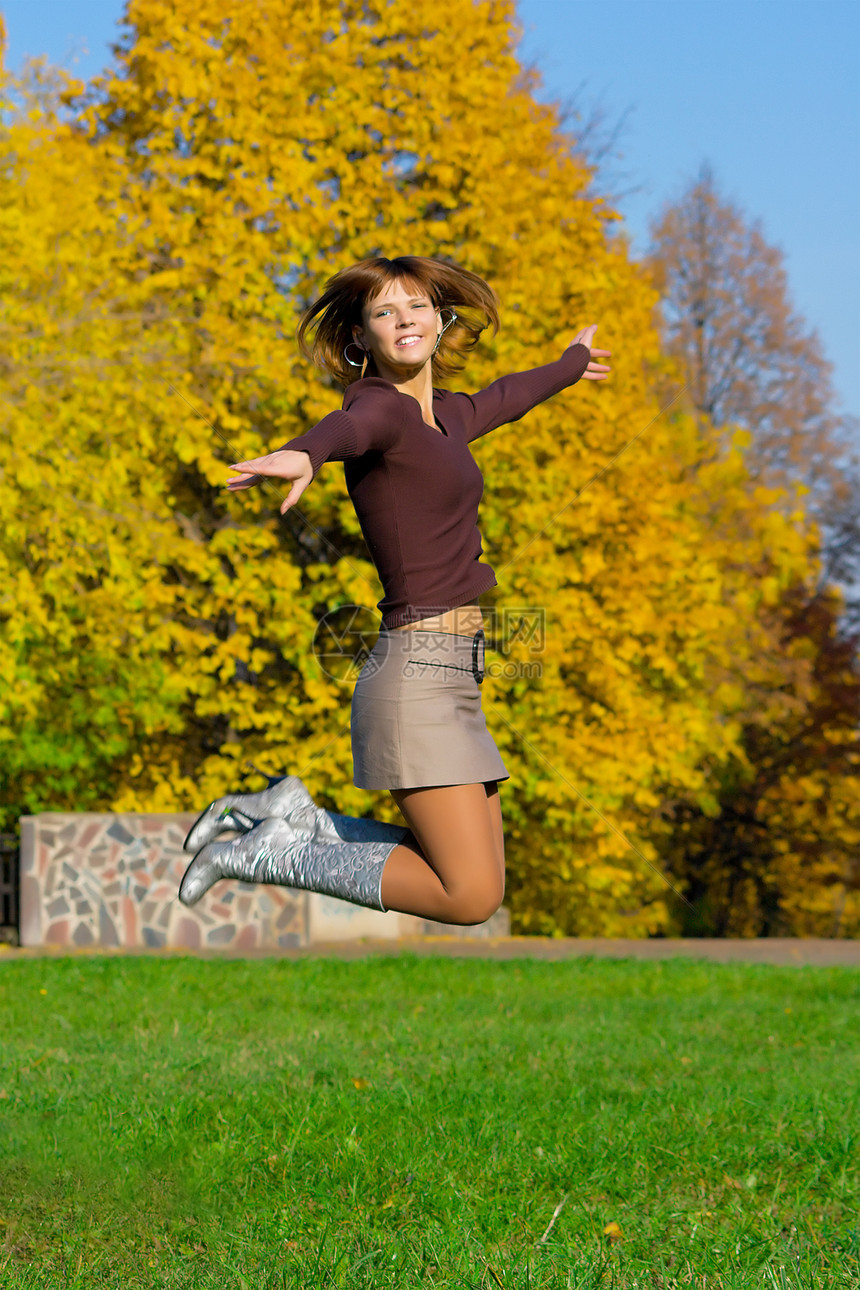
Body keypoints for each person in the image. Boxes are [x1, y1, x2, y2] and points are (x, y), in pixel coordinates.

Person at [177, 255, 611, 922]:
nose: (404, 317)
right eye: (384, 311)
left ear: (440, 323)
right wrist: (306, 452)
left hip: (455, 674)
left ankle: (293, 816)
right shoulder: (380, 409)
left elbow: (508, 397)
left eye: (417, 306)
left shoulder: (445, 419)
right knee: (466, 896)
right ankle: (263, 853)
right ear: (361, 338)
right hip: (417, 677)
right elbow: (348, 429)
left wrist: (569, 366)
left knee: (481, 882)